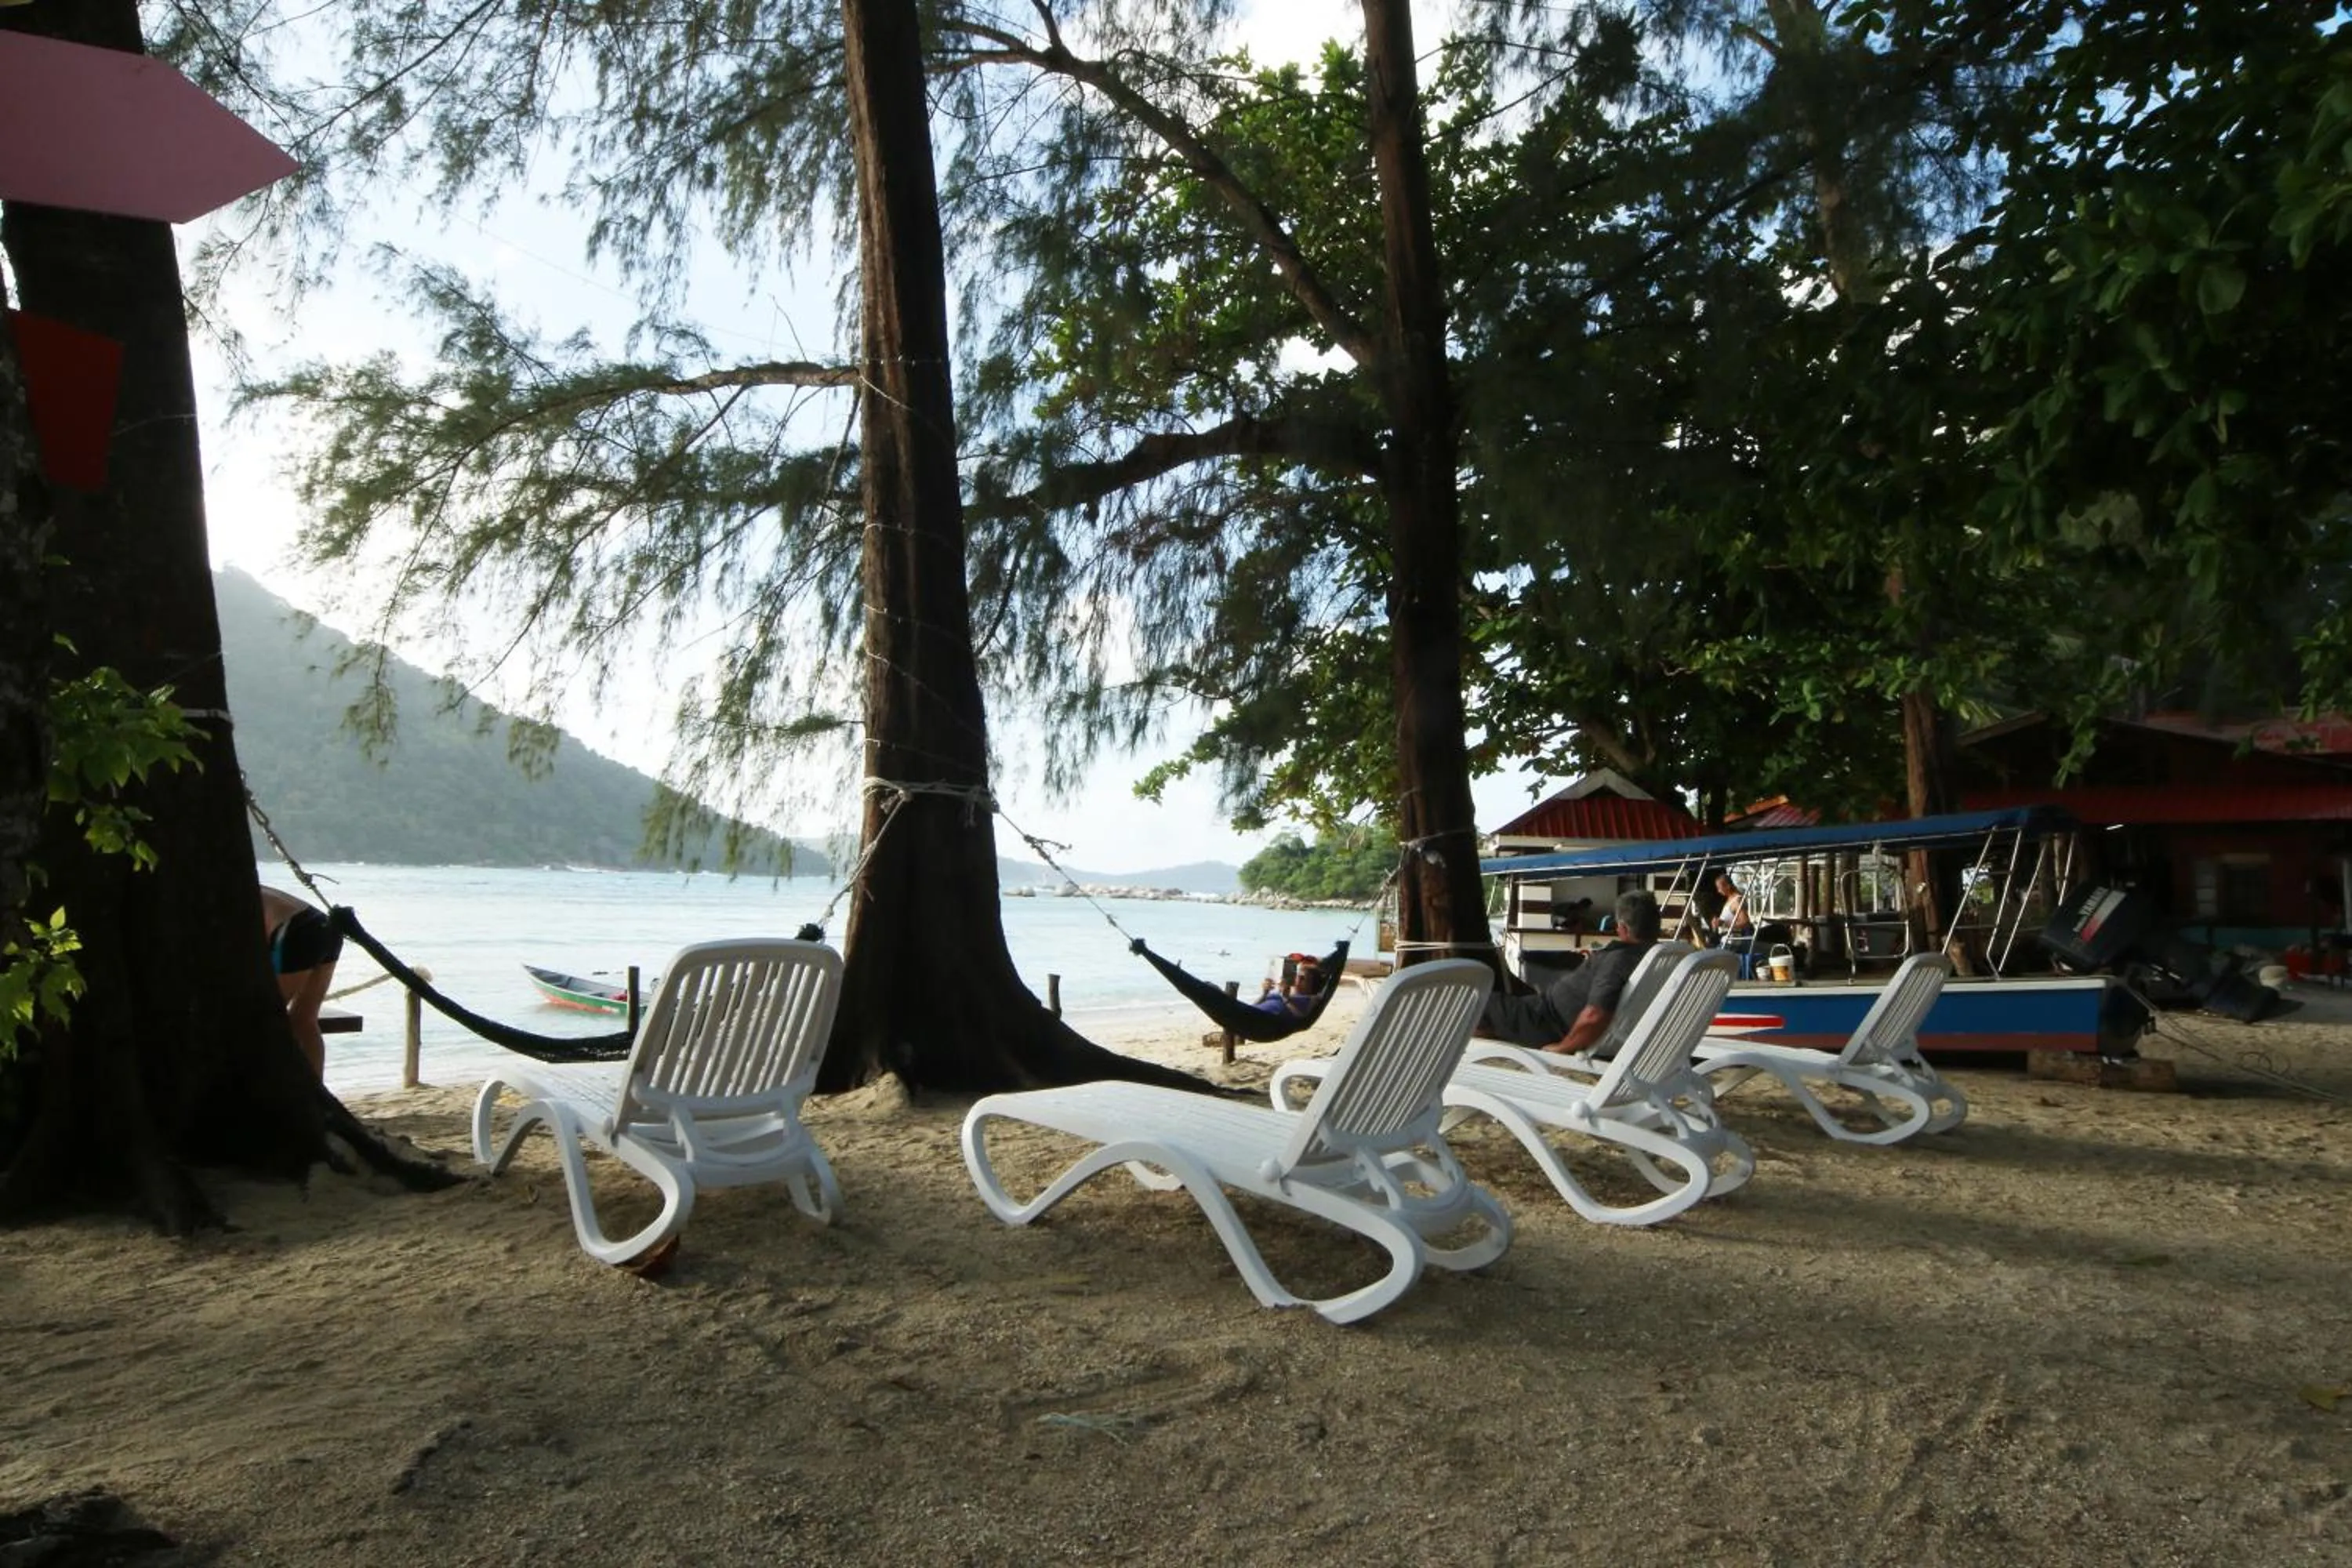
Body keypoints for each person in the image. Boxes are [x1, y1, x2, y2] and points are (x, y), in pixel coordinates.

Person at [1477, 890, 1660, 1057]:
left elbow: (1595, 1016)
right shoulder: (1658, 958)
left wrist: (1563, 1048)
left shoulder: (1620, 959)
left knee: (1477, 1003)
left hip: (1549, 1023)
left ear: (1623, 928)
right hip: (1548, 1010)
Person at [260, 884, 344, 1078]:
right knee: (304, 1019)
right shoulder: (249, 883)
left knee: (267, 1017)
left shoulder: (220, 894)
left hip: (294, 929)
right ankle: (317, 1092)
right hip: (324, 925)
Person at [1251, 956, 1325, 1018]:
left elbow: (1301, 1018)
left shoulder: (1312, 999)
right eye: (1297, 976)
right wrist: (1265, 994)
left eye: (1303, 978)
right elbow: (1253, 1006)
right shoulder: (1283, 992)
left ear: (1312, 985)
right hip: (1252, 1014)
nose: (1298, 980)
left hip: (1262, 1020)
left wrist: (1286, 999)